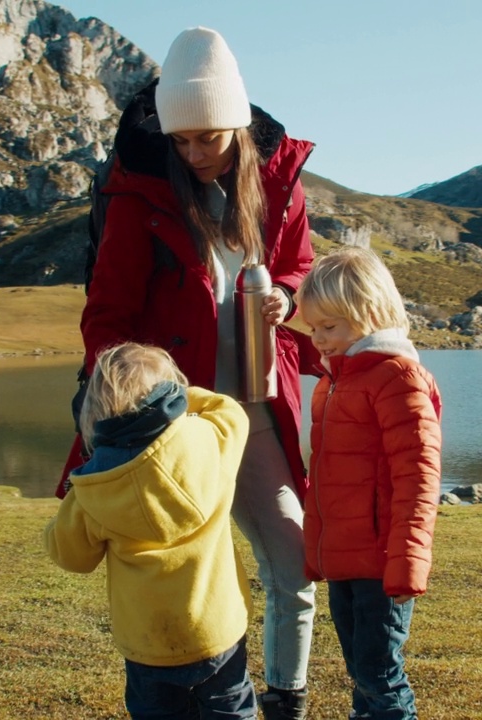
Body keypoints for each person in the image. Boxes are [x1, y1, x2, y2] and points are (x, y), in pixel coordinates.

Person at [57, 26, 317, 719]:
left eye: (209, 137)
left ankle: (286, 700)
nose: (195, 153)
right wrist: (120, 399)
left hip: (256, 410)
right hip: (176, 424)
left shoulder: (279, 184)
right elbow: (106, 311)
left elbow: (299, 266)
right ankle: (178, 693)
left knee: (293, 560)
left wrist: (286, 296)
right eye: (182, 140)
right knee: (173, 582)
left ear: (237, 123)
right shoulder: (139, 197)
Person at [45, 342, 256, 719]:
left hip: (148, 644)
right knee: (230, 708)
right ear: (169, 398)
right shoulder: (207, 441)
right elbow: (230, 410)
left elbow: (70, 556)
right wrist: (178, 396)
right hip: (217, 630)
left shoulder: (95, 487)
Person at [296, 247, 443, 720]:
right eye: (313, 327)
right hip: (344, 560)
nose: (317, 339)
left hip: (381, 562)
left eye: (329, 327)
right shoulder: (334, 381)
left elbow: (418, 478)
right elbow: (327, 478)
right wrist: (316, 549)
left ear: (369, 313)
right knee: (361, 669)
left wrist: (408, 563)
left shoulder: (396, 377)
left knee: (381, 674)